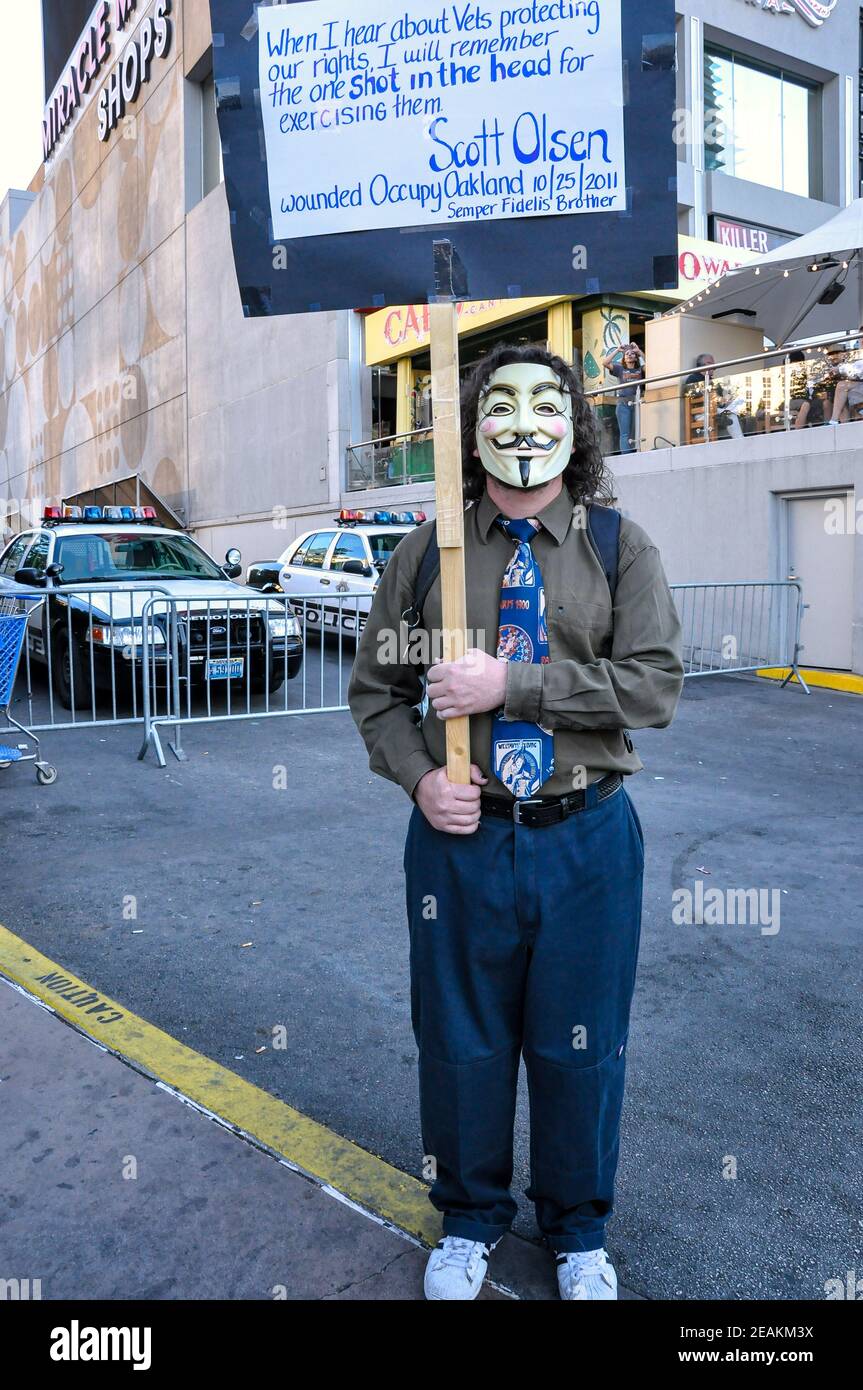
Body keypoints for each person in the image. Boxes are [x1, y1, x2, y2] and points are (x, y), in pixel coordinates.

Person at [349, 342, 684, 1302]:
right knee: (461, 1039)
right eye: (498, 404)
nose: (522, 422)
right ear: (472, 428)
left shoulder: (619, 548)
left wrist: (516, 684)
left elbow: (654, 688)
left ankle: (577, 1230)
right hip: (460, 842)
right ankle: (467, 1218)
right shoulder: (427, 556)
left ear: (576, 425)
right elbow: (377, 693)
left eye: (547, 403)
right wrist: (418, 779)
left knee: (581, 1043)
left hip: (587, 836)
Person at [602, 342, 644, 453]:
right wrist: (617, 350)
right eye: (627, 354)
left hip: (637, 402)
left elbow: (652, 365)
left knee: (635, 430)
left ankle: (637, 452)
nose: (629, 355)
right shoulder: (620, 369)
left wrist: (639, 351)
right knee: (625, 433)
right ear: (624, 359)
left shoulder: (640, 369)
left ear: (636, 358)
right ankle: (626, 455)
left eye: (632, 354)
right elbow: (605, 363)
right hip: (623, 403)